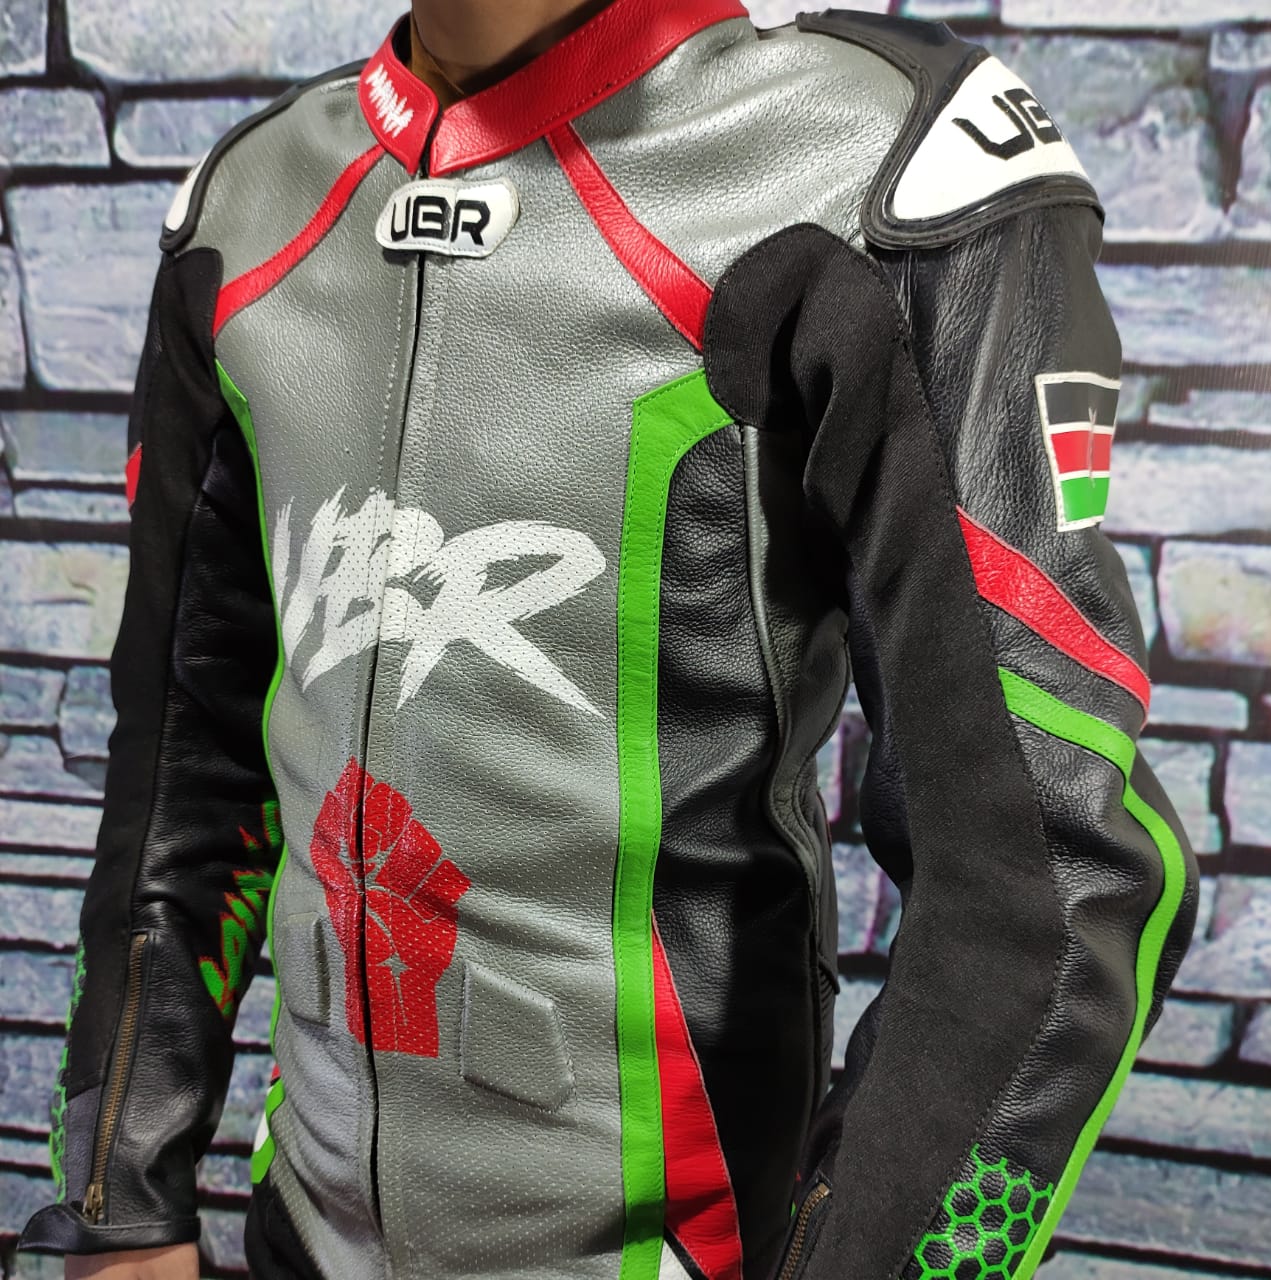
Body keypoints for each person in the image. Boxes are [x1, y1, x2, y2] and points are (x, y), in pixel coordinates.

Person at [17, 0, 1201, 1277]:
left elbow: (1057, 877)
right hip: (298, 1234)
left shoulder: (882, 166)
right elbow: (186, 766)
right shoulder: (245, 208)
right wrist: (116, 1196)